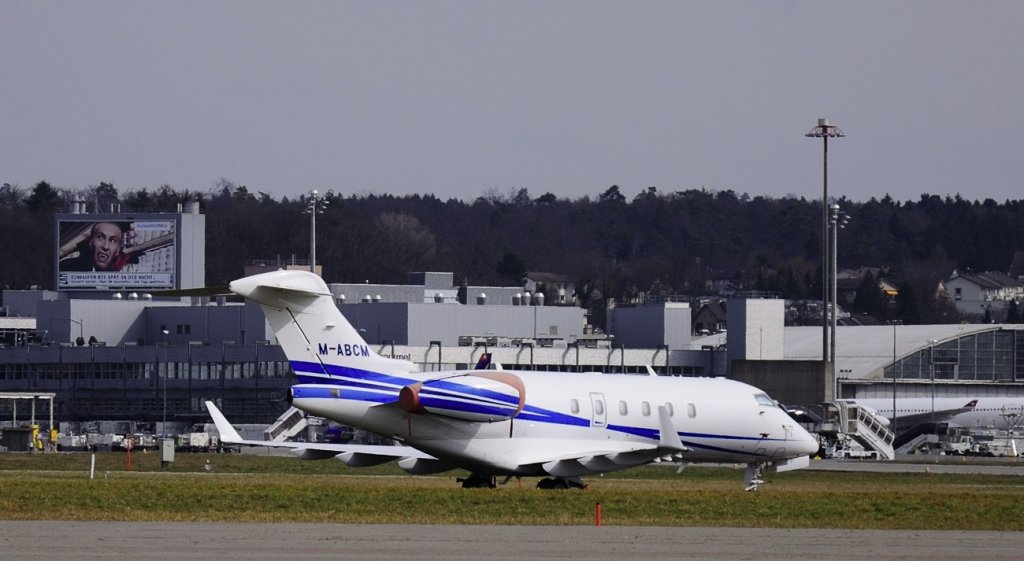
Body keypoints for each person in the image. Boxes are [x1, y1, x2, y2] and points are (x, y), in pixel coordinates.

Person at [63, 222, 133, 272]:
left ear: (118, 250)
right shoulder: (66, 268)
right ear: (91, 242)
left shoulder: (124, 276)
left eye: (112, 240)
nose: (105, 246)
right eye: (100, 237)